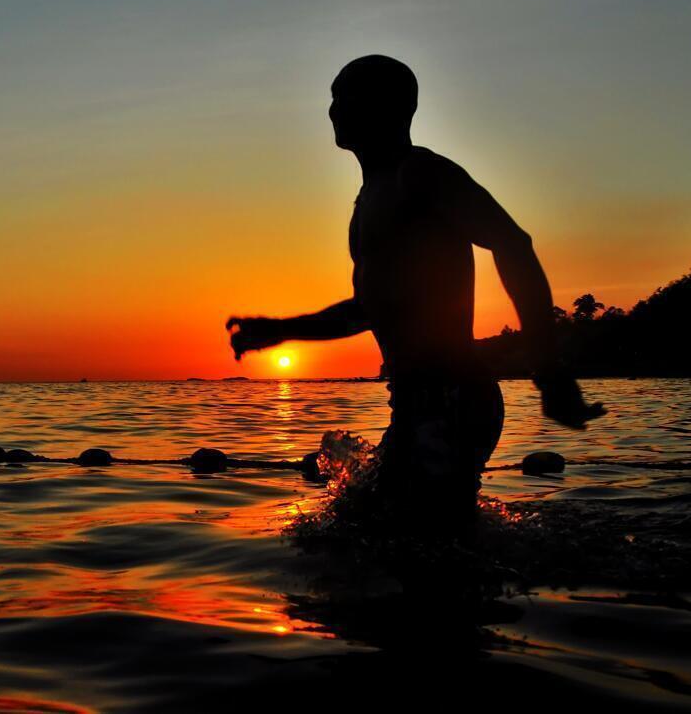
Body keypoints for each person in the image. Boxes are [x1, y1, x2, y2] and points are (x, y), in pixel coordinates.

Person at [225, 55, 605, 531]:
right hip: (413, 402)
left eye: (346, 98)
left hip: (452, 397)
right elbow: (372, 308)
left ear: (392, 107)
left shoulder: (420, 173)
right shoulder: (370, 199)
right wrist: (281, 330)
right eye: (333, 98)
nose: (333, 111)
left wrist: (549, 370)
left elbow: (512, 243)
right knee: (376, 531)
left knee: (422, 551)